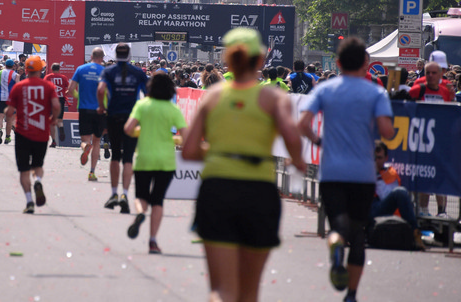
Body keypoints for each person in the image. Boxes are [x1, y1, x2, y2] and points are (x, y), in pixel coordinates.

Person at [182, 28, 306, 302]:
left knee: (221, 290)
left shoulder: (212, 97)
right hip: (259, 191)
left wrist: (220, 154)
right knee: (249, 293)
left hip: (217, 189)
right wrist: (296, 161)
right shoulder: (274, 98)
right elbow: (293, 140)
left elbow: (189, 150)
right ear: (260, 59)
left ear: (227, 59)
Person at [297, 36, 395, 302]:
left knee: (337, 226)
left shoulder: (325, 90)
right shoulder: (376, 92)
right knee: (358, 233)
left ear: (337, 63)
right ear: (366, 63)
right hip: (363, 173)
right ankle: (351, 294)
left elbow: (303, 124)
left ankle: (335, 243)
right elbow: (387, 131)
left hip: (332, 171)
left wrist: (320, 141)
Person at [123, 72, 186, 254]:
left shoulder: (142, 105)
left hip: (144, 158)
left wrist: (139, 131)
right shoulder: (173, 109)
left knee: (141, 197)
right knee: (158, 200)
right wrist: (174, 140)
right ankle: (153, 241)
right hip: (166, 161)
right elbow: (185, 135)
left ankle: (141, 213)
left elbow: (128, 128)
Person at [5, 56, 60, 213]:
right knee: (38, 165)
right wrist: (53, 119)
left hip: (22, 133)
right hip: (42, 133)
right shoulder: (48, 86)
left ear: (26, 70)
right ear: (40, 69)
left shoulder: (19, 87)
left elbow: (9, 112)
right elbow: (56, 105)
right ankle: (38, 180)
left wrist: (8, 114)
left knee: (24, 170)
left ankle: (29, 201)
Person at [98, 43, 148, 213]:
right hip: (132, 118)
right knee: (128, 158)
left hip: (113, 116)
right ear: (129, 55)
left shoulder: (109, 71)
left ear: (116, 55)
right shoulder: (138, 72)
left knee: (115, 156)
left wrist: (101, 107)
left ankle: (113, 193)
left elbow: (101, 89)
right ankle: (125, 194)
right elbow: (148, 93)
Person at [408, 59, 454, 218]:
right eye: (428, 73)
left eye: (434, 73)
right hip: (420, 141)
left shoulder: (445, 90)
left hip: (440, 142)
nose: (430, 76)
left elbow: (451, 113)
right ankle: (422, 209)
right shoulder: (416, 90)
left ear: (441, 74)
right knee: (423, 176)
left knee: (440, 175)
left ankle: (442, 211)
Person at [370, 141, 425, 250]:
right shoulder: (364, 169)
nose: (376, 161)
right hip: (364, 207)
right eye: (374, 158)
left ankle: (415, 233)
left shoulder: (390, 173)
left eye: (379, 158)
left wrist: (376, 174)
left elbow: (385, 196)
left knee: (400, 192)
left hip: (380, 209)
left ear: (386, 158)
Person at [68, 48, 106, 181]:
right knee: (97, 142)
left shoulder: (80, 69)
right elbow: (108, 92)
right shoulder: (105, 71)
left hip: (84, 108)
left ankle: (85, 147)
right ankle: (92, 172)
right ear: (102, 58)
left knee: (85, 140)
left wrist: (80, 97)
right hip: (100, 109)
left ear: (91, 56)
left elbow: (70, 89)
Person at [43, 63, 70, 147]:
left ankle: (54, 140)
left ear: (51, 68)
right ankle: (61, 127)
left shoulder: (48, 77)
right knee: (59, 119)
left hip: (51, 99)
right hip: (61, 99)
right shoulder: (63, 77)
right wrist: (64, 93)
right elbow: (69, 88)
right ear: (59, 69)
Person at [0, 59, 19, 144]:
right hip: (11, 100)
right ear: (13, 66)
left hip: (0, 98)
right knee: (9, 119)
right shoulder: (15, 75)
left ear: (5, 64)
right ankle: (7, 137)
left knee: (0, 117)